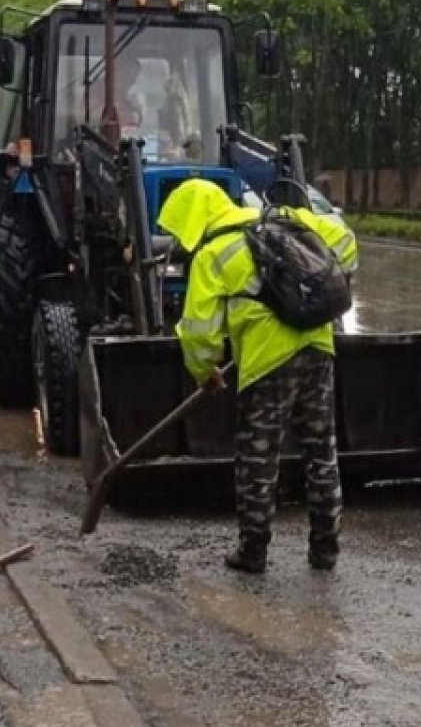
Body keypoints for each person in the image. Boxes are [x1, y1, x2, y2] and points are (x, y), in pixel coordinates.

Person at [157, 178, 359, 573]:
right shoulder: (286, 219)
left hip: (267, 365)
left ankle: (253, 551)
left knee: (258, 458)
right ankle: (325, 548)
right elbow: (347, 245)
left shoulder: (214, 253)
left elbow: (199, 332)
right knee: (321, 451)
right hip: (319, 347)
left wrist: (205, 371)